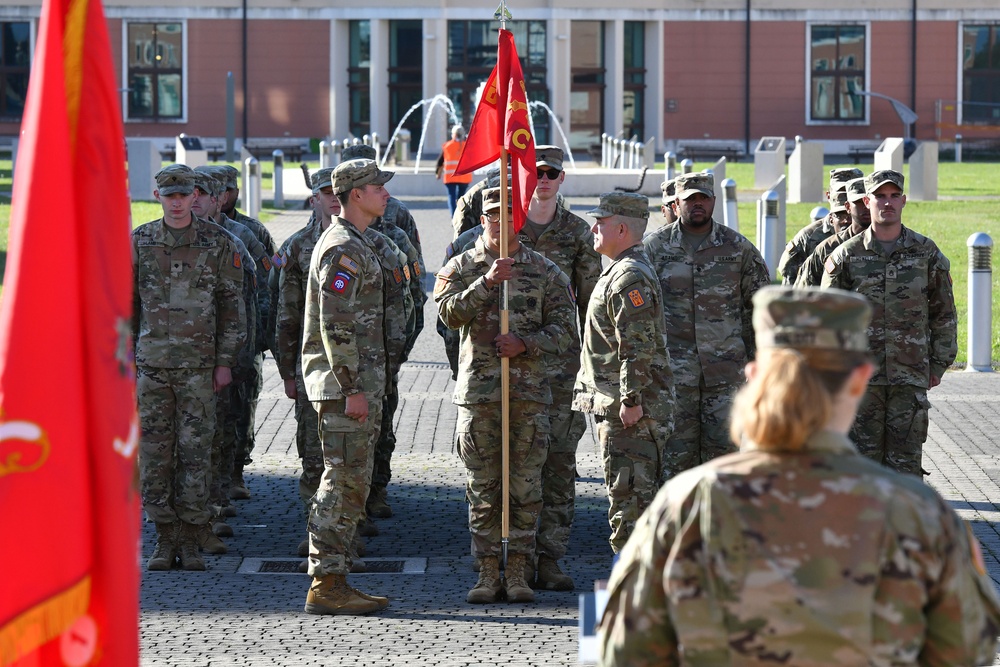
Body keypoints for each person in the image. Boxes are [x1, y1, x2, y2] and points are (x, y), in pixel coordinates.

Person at [598, 286, 1000, 666]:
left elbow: (620, 651)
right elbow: (967, 651)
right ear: (860, 380)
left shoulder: (685, 504)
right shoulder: (922, 513)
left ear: (754, 377)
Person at [435, 186, 576, 604]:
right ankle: (486, 571)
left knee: (526, 487)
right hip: (479, 395)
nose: (502, 222)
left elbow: (567, 330)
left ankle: (519, 570)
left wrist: (526, 343)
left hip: (529, 396)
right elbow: (447, 314)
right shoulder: (461, 266)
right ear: (483, 220)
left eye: (510, 214)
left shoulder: (546, 270)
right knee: (483, 487)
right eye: (494, 215)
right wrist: (486, 282)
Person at [132, 164, 246, 571]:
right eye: (170, 195)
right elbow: (127, 307)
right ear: (158, 196)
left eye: (184, 195)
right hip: (152, 368)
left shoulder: (216, 242)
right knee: (155, 454)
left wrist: (224, 362)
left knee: (196, 453)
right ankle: (165, 538)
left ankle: (194, 536)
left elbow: (232, 308)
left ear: (194, 195)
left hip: (200, 368)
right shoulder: (140, 241)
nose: (178, 202)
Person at [300, 158, 393, 615]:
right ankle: (327, 582)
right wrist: (352, 387)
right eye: (378, 187)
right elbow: (336, 325)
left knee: (349, 479)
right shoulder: (342, 249)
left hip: (354, 386)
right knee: (342, 482)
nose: (385, 193)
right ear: (355, 194)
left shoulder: (353, 242)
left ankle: (334, 575)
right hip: (345, 389)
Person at [821, 169, 957, 476]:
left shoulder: (926, 253)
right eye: (880, 196)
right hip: (860, 382)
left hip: (908, 378)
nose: (888, 203)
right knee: (860, 470)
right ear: (866, 201)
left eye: (894, 196)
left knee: (906, 469)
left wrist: (937, 366)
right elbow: (827, 322)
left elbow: (944, 313)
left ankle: (903, 525)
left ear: (904, 200)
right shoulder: (845, 257)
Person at [642, 171, 770, 481]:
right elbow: (640, 314)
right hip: (674, 375)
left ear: (713, 201)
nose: (697, 204)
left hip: (726, 375)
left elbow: (761, 307)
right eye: (690, 200)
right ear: (676, 203)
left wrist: (759, 363)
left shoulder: (737, 248)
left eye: (703, 198)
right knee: (675, 463)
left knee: (725, 462)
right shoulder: (654, 248)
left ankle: (721, 527)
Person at [518, 145, 602, 590]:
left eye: (551, 172)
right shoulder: (503, 227)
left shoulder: (577, 233)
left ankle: (549, 557)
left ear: (562, 179)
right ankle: (511, 558)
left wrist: (593, 367)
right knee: (511, 466)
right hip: (510, 370)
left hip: (562, 371)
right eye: (536, 171)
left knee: (559, 464)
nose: (543, 178)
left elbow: (592, 306)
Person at [573, 192, 675, 554]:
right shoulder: (622, 270)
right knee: (629, 502)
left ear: (621, 228)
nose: (593, 229)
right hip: (622, 408)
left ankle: (633, 598)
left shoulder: (628, 276)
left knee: (630, 508)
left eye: (600, 223)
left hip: (630, 414)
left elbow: (637, 345)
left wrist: (631, 400)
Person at [273, 168, 334, 568]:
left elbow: (399, 312)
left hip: (363, 372)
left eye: (337, 192)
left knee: (352, 459)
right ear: (312, 198)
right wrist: (287, 371)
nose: (331, 198)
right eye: (324, 193)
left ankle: (346, 534)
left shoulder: (376, 243)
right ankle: (315, 533)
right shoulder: (296, 247)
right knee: (313, 455)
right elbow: (286, 314)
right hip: (311, 369)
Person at [217, 164, 277, 500]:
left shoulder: (249, 231)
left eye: (227, 188)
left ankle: (236, 469)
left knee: (243, 407)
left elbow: (268, 283)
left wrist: (259, 339)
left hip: (246, 342)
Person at [777, 167, 861, 284]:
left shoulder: (874, 231)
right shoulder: (808, 238)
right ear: (828, 195)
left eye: (853, 190)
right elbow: (790, 287)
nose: (846, 195)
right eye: (841, 191)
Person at [795, 176, 871, 288]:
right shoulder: (826, 249)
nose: (866, 207)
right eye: (859, 202)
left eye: (869, 201)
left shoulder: (897, 243)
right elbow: (803, 292)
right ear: (848, 206)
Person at [438, 124, 474, 216]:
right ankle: (460, 216)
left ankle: (453, 216)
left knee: (451, 197)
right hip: (464, 177)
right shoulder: (468, 146)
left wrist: (437, 173)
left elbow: (440, 161)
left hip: (450, 177)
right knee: (461, 198)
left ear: (453, 134)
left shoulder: (447, 146)